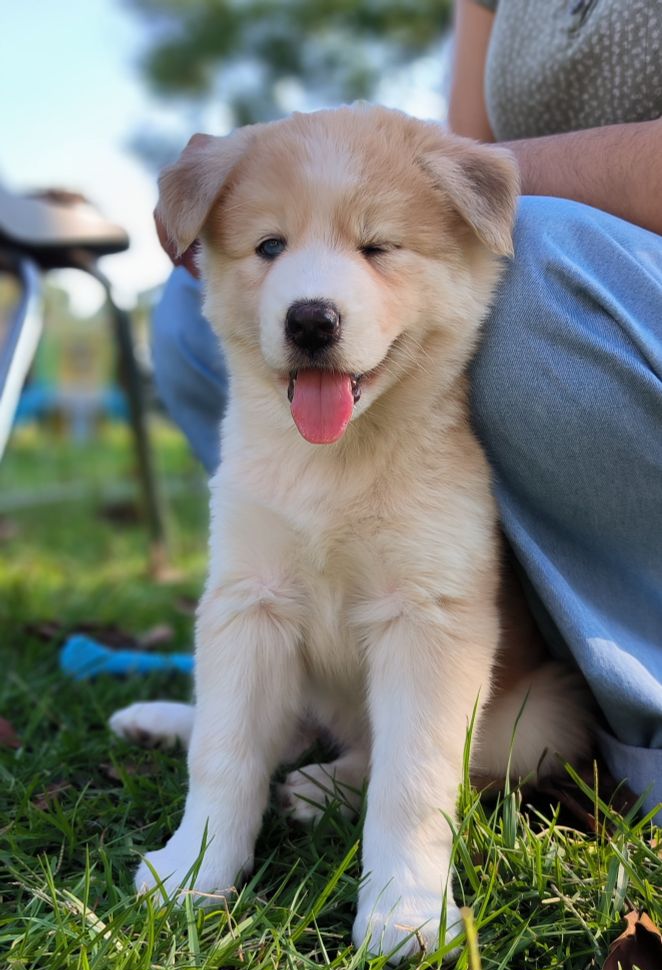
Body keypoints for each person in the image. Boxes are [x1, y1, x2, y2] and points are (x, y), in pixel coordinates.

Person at [151, 0, 662, 818]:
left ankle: (637, 701)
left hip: (612, 279)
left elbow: (475, 181)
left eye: (373, 247)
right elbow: (451, 139)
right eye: (274, 247)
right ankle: (290, 721)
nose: (313, 296)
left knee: (536, 261)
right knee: (184, 313)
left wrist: (436, 172)